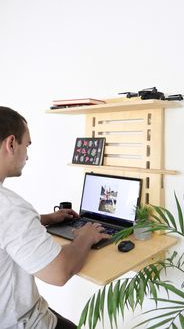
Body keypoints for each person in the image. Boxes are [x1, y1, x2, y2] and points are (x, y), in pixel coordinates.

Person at [0, 106, 110, 329]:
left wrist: (47, 218)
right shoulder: (11, 208)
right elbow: (58, 273)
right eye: (27, 145)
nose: (27, 155)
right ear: (11, 144)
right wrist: (86, 236)